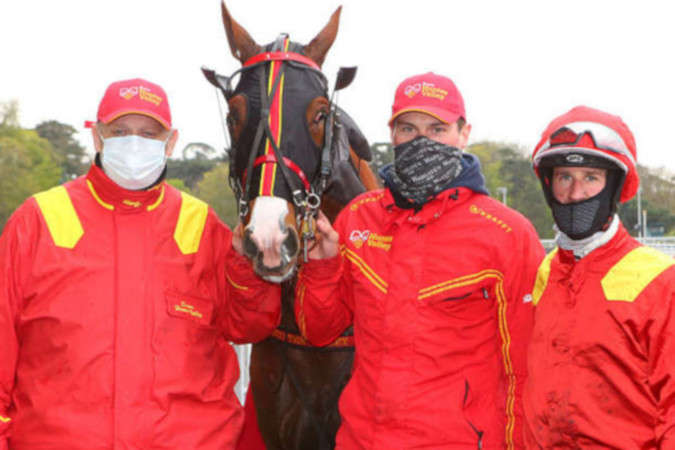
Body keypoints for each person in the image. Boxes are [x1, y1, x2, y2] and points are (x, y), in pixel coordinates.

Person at [0, 78, 281, 449]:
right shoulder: (38, 220)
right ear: (98, 137)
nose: (134, 143)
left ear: (171, 142)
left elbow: (249, 325)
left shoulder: (201, 225)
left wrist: (250, 265)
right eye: (120, 131)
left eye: (149, 134)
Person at [294, 72, 545, 449]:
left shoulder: (508, 234)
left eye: (437, 129)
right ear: (392, 134)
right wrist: (322, 266)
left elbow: (525, 371)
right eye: (408, 128)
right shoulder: (358, 218)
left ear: (464, 134)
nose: (421, 140)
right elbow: (319, 331)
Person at [524, 105, 675, 448]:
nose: (576, 193)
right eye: (565, 177)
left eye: (591, 178)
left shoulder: (660, 280)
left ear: (614, 186)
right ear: (549, 185)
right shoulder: (546, 271)